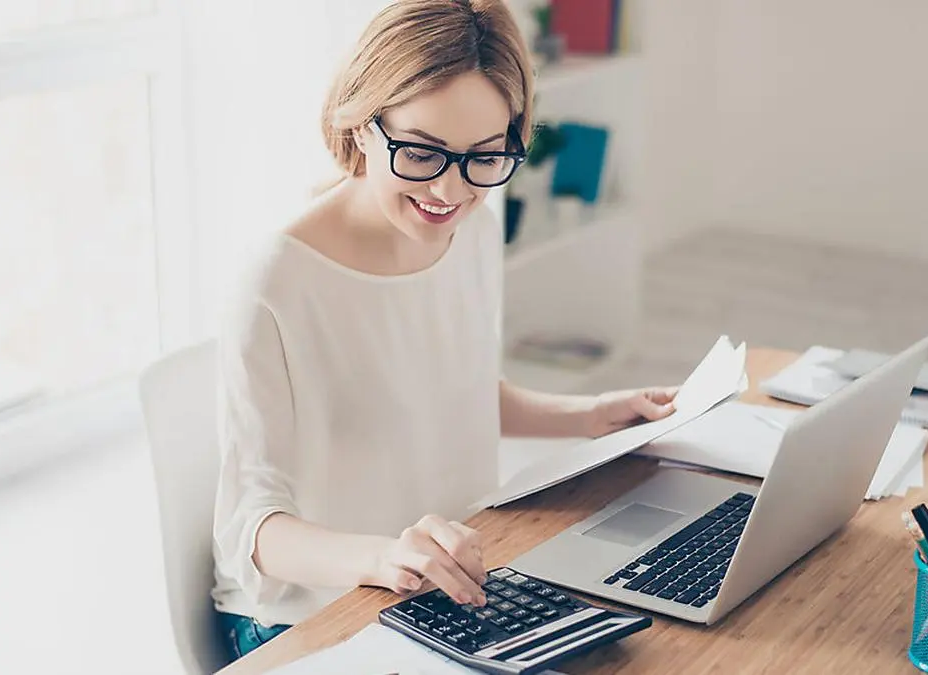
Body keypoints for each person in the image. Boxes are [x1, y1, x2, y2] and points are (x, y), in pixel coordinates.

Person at [208, 0, 678, 661]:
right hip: (309, 617)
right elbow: (250, 528)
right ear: (364, 123)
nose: (451, 190)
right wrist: (383, 555)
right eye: (423, 152)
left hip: (448, 593)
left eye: (486, 156)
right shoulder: (277, 279)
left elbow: (453, 390)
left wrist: (591, 414)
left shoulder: (470, 231)